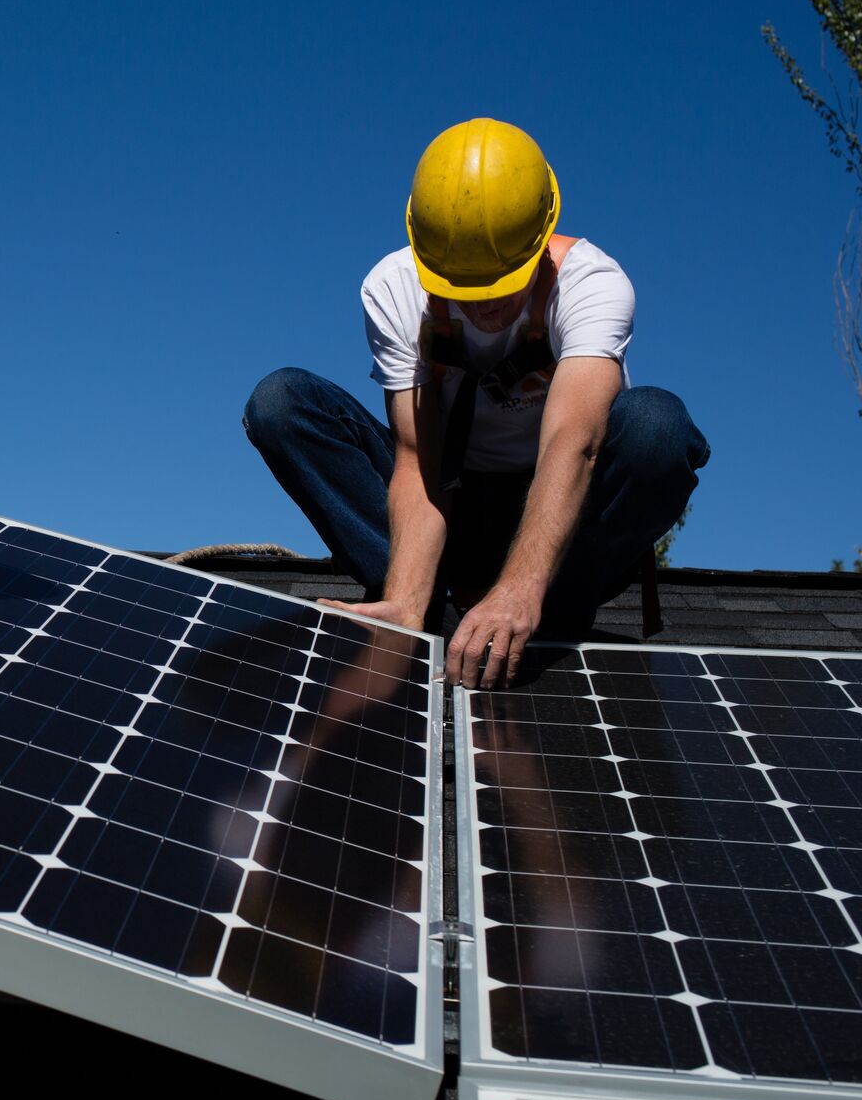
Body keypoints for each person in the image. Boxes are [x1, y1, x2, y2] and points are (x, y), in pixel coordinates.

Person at [241, 118, 708, 691]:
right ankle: (423, 604)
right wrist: (407, 606)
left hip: (558, 514)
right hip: (451, 506)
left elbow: (575, 443)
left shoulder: (591, 283)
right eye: (465, 286)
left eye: (501, 285)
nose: (485, 308)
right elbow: (418, 463)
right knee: (281, 403)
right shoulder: (394, 289)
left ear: (539, 243)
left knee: (657, 428)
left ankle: (536, 615)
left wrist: (519, 589)